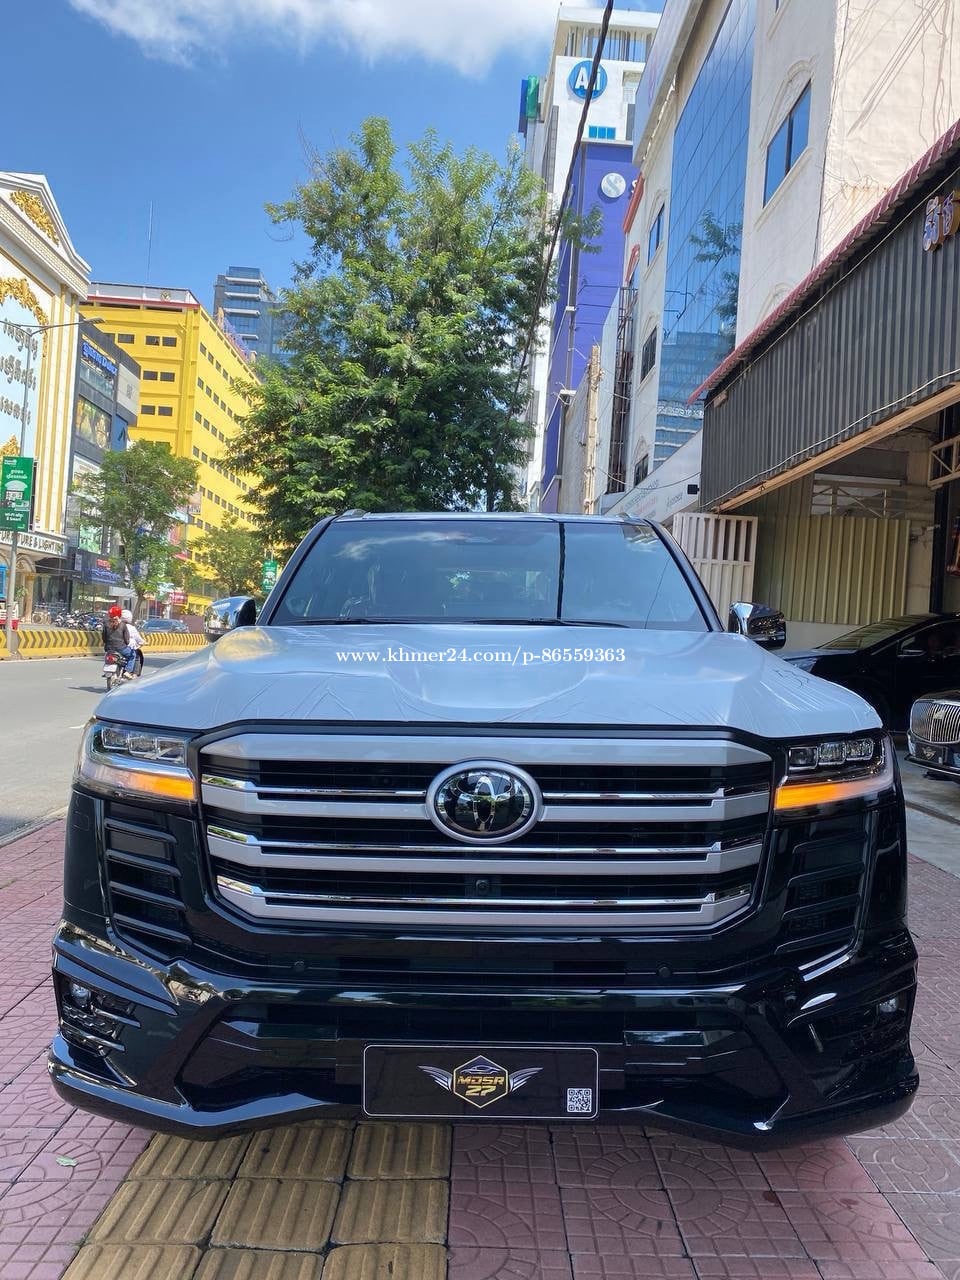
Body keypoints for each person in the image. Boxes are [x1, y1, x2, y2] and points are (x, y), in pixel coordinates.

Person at [101, 605, 137, 679]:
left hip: (108, 648)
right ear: (120, 615)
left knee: (107, 655)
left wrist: (106, 643)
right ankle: (128, 671)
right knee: (133, 655)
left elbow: (104, 637)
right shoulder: (123, 625)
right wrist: (126, 644)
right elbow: (127, 639)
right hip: (121, 648)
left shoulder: (105, 624)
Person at [121, 608, 145, 676]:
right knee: (135, 656)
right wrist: (143, 642)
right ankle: (133, 673)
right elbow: (138, 639)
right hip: (125, 648)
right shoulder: (131, 628)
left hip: (113, 648)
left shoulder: (115, 626)